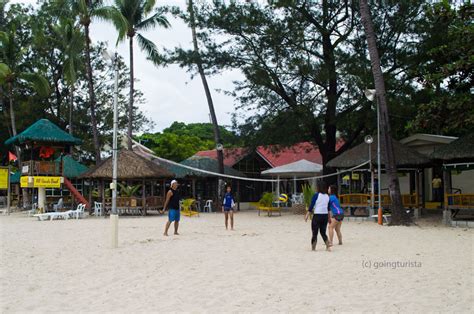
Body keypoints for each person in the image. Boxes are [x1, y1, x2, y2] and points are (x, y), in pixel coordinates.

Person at [305, 181, 331, 251]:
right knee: (323, 232)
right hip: (325, 216)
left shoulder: (316, 195)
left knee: (314, 232)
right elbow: (328, 208)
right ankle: (327, 245)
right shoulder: (327, 196)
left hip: (317, 216)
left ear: (318, 188)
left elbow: (311, 205)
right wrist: (329, 218)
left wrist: (307, 215)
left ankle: (313, 248)